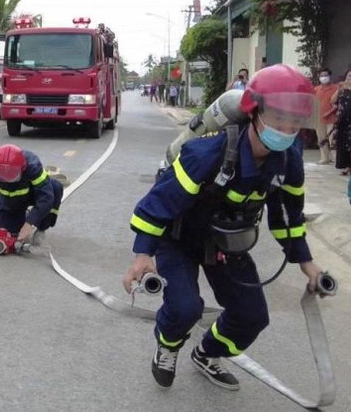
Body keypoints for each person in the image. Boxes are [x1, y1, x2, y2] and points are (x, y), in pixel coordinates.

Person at [122, 64, 327, 392]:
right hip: (180, 239)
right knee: (186, 308)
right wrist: (143, 253)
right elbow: (158, 203)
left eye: (294, 121)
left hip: (226, 245)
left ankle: (207, 353)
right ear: (254, 111)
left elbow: (287, 214)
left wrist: (307, 263)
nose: (286, 129)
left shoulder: (288, 160)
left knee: (252, 315)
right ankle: (168, 344)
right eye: (277, 119)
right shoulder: (207, 154)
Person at [0, 144, 63, 242]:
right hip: (10, 200)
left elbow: (46, 197)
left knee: (55, 188)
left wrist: (29, 224)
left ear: (22, 168)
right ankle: (21, 216)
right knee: (4, 237)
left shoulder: (32, 165)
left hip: (32, 195)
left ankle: (42, 226)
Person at [314, 67, 338, 165]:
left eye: (325, 75)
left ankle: (335, 158)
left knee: (333, 138)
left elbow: (338, 103)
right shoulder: (316, 89)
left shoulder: (335, 88)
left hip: (332, 118)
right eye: (321, 76)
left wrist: (329, 112)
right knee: (321, 138)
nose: (324, 77)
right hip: (319, 118)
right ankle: (324, 158)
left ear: (330, 76)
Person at [330, 68, 351, 175]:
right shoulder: (342, 89)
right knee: (344, 144)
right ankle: (347, 166)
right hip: (343, 121)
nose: (349, 78)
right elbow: (332, 101)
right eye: (348, 76)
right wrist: (338, 89)